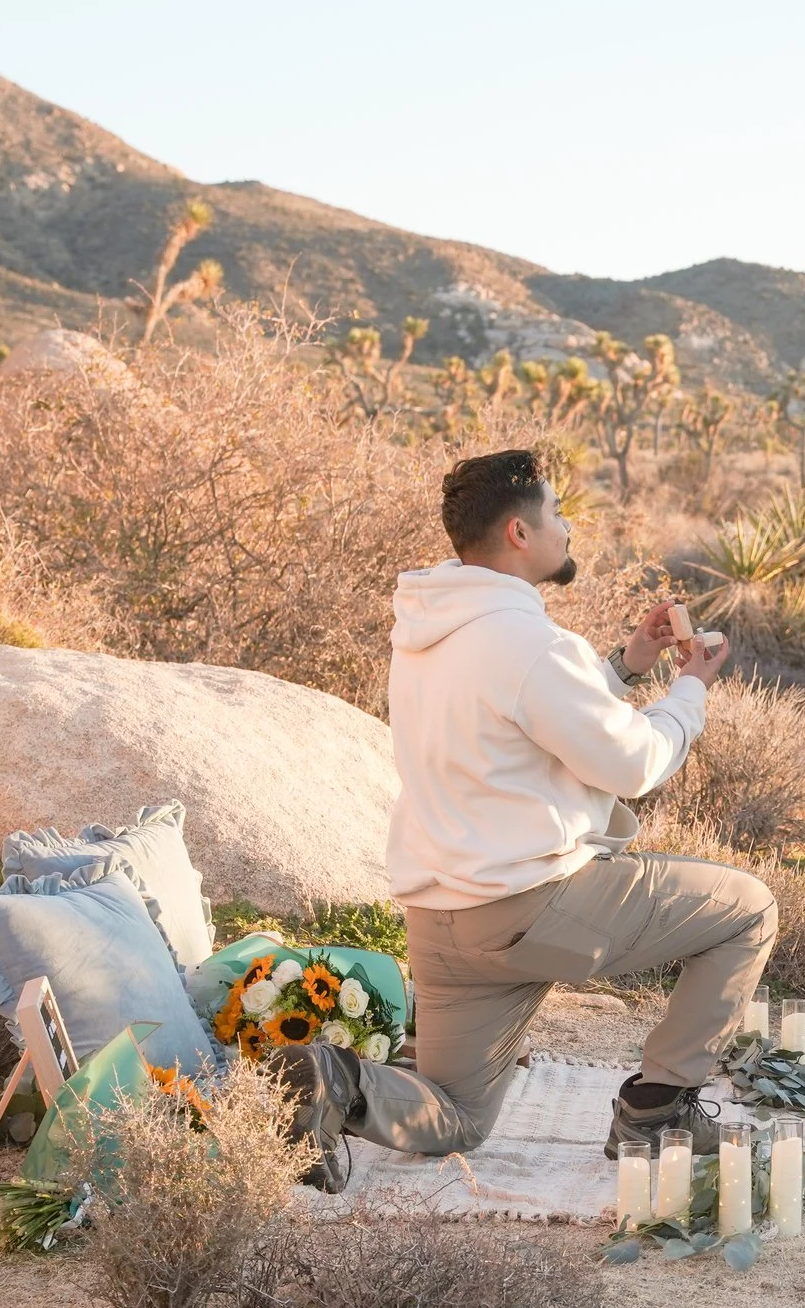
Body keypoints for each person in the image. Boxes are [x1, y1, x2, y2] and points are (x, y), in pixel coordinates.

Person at [275, 448, 774, 1190]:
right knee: (749, 911)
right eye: (558, 513)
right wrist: (690, 691)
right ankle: (659, 1107)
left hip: (444, 916)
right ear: (518, 532)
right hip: (535, 909)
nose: (566, 528)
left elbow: (519, 718)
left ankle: (335, 1080)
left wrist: (627, 662)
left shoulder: (424, 632)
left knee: (456, 1115)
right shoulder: (531, 642)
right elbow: (634, 763)